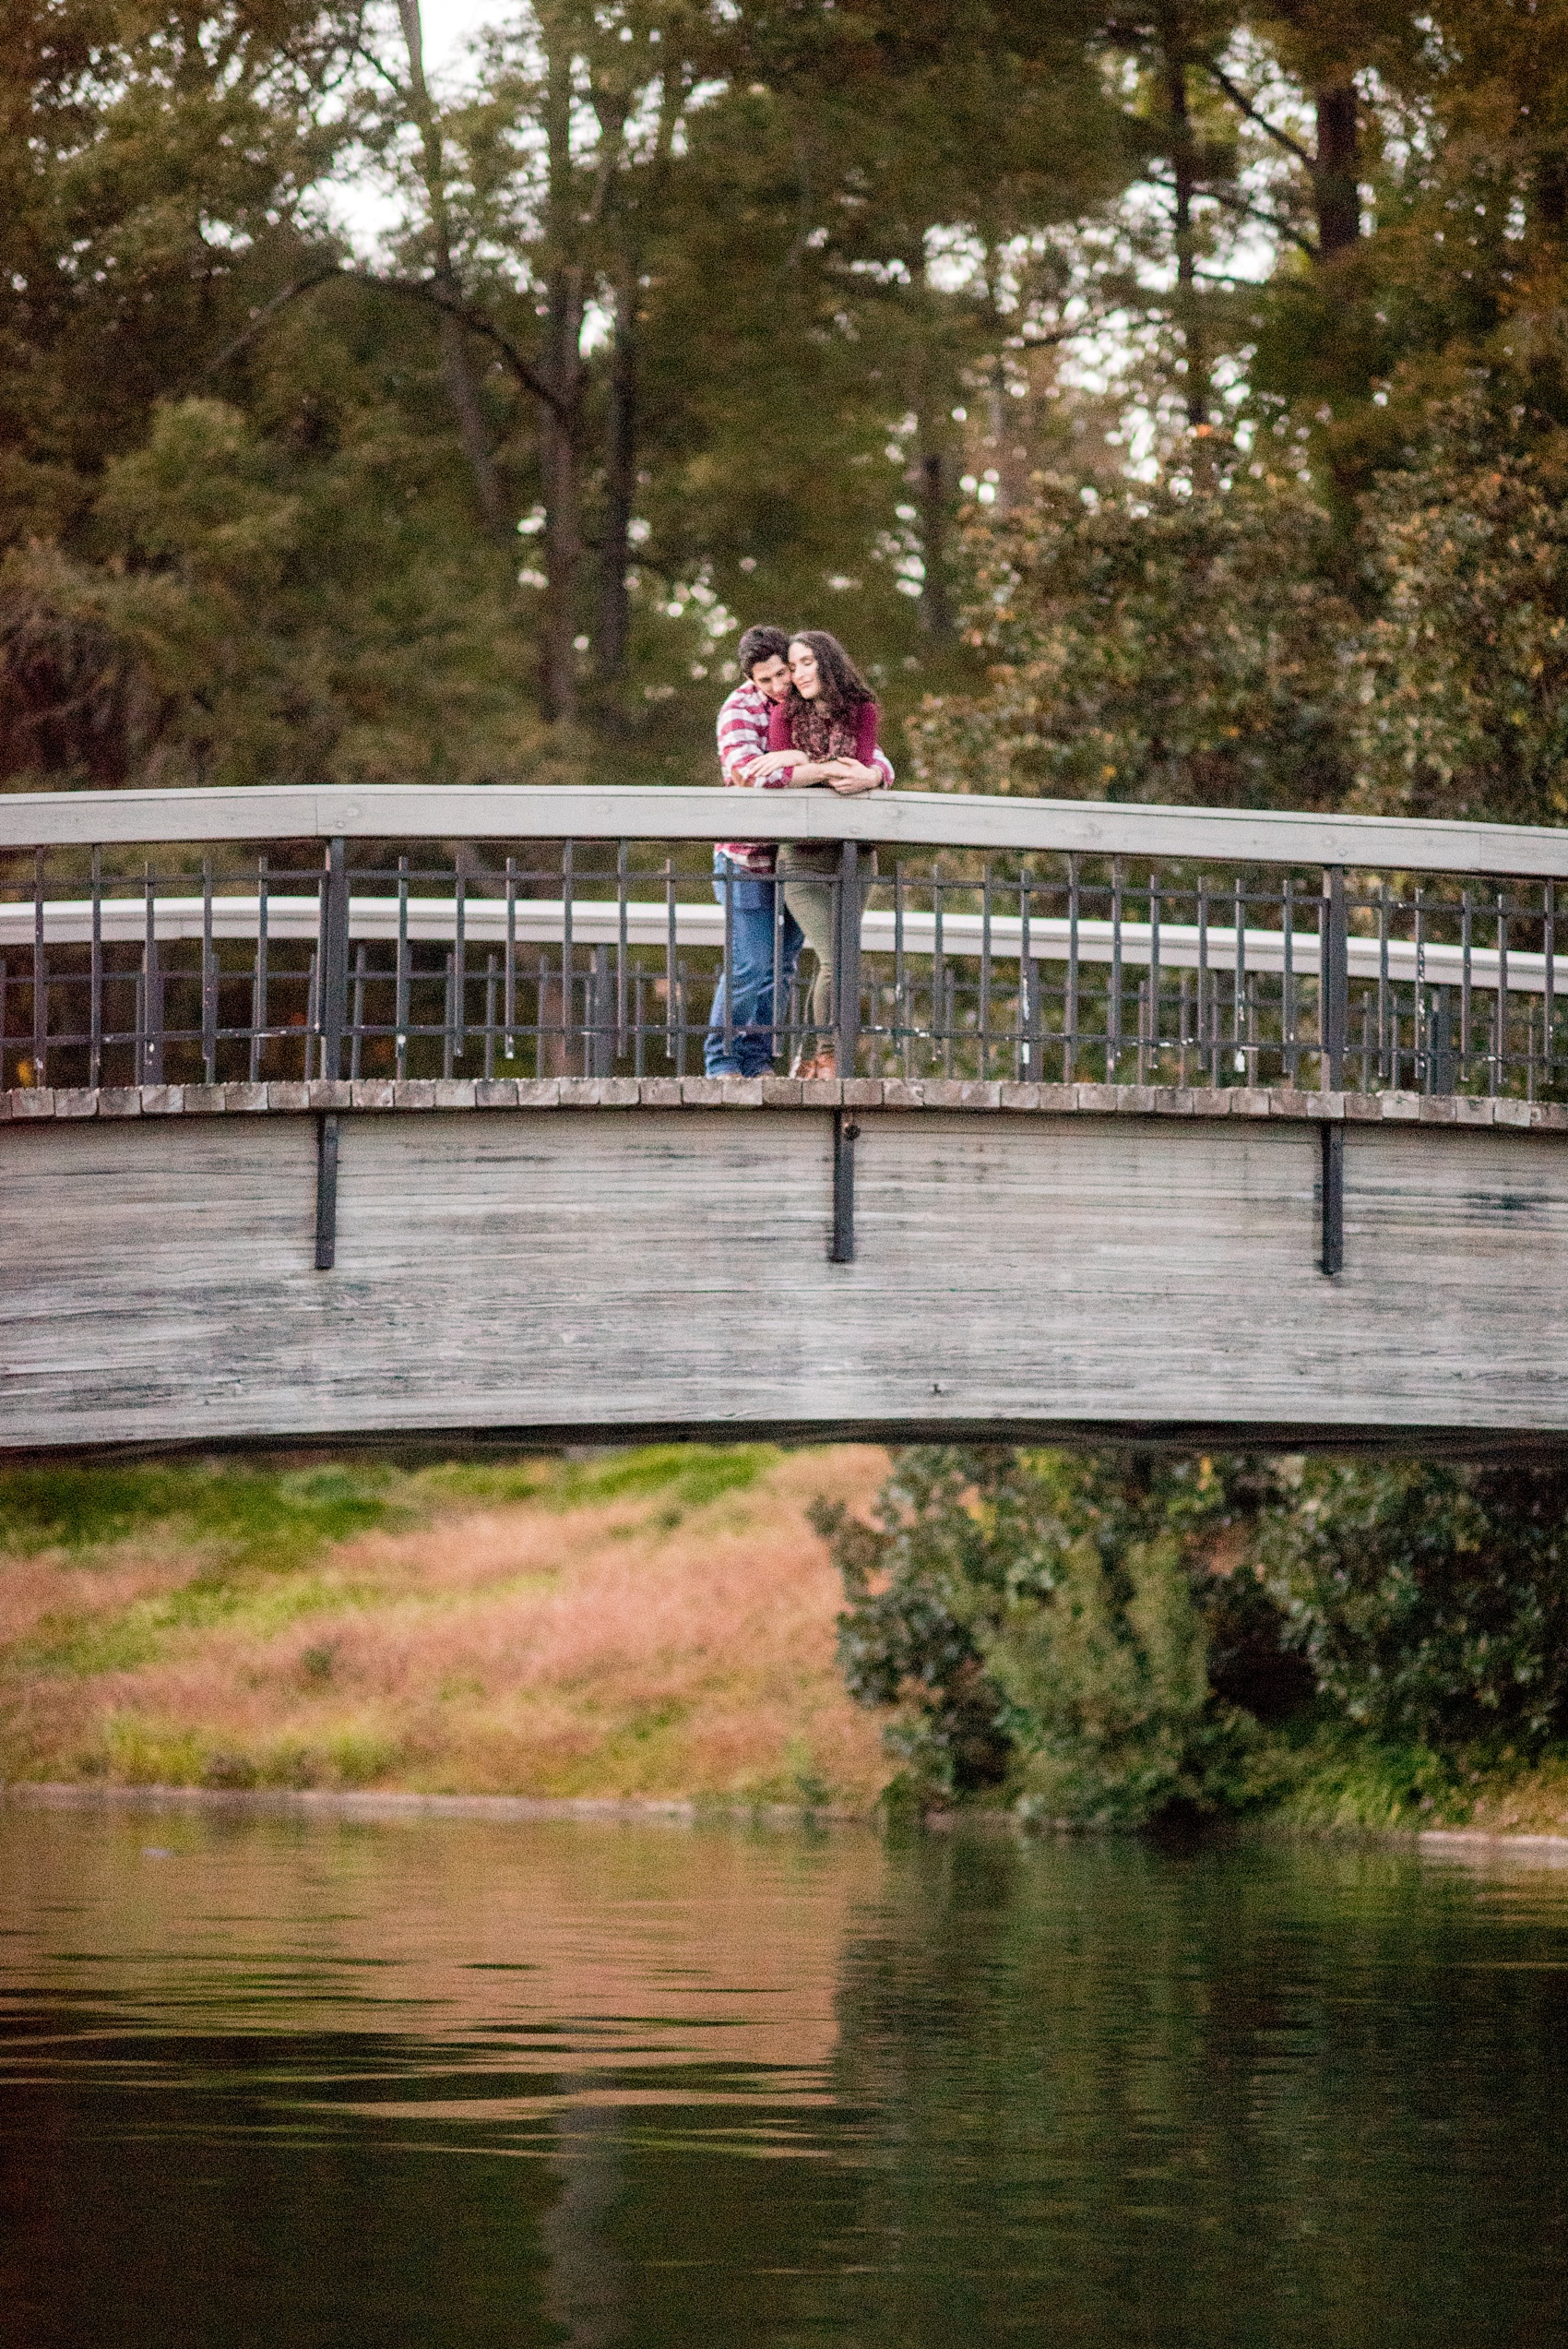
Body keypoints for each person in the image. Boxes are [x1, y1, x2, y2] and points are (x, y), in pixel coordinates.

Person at [745, 630, 891, 1079]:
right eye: (795, 665)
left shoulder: (862, 707)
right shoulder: (785, 713)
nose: (799, 673)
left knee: (843, 956)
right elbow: (773, 779)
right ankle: (831, 1058)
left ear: (827, 663)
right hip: (802, 856)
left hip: (853, 852)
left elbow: (857, 764)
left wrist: (798, 761)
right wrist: (813, 766)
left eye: (806, 662)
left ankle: (812, 1059)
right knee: (836, 957)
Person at [705, 625, 805, 1078]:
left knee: (782, 967)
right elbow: (748, 774)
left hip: (800, 857)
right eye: (765, 680)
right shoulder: (738, 709)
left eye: (782, 673)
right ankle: (721, 1059)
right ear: (751, 679)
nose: (777, 686)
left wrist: (796, 761)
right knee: (750, 964)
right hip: (746, 858)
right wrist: (823, 768)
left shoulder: (814, 696)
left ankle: (757, 1058)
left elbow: (873, 761)